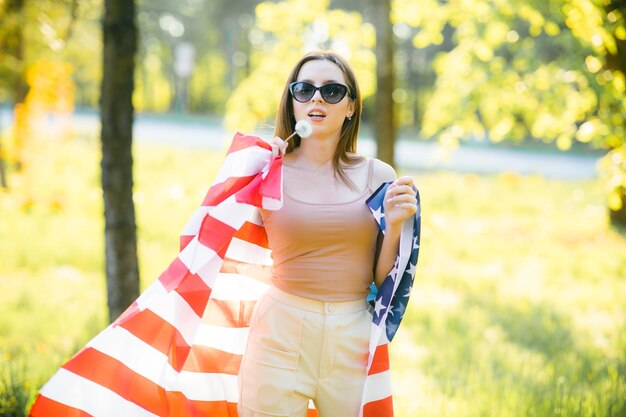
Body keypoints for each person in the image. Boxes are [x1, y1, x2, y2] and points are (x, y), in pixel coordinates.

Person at [235, 51, 418, 417]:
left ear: (351, 107)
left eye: (332, 91)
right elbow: (227, 242)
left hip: (351, 333)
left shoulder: (378, 176)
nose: (316, 99)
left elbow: (383, 281)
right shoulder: (265, 170)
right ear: (292, 101)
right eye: (304, 89)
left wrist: (395, 224)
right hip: (279, 332)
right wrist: (247, 167)